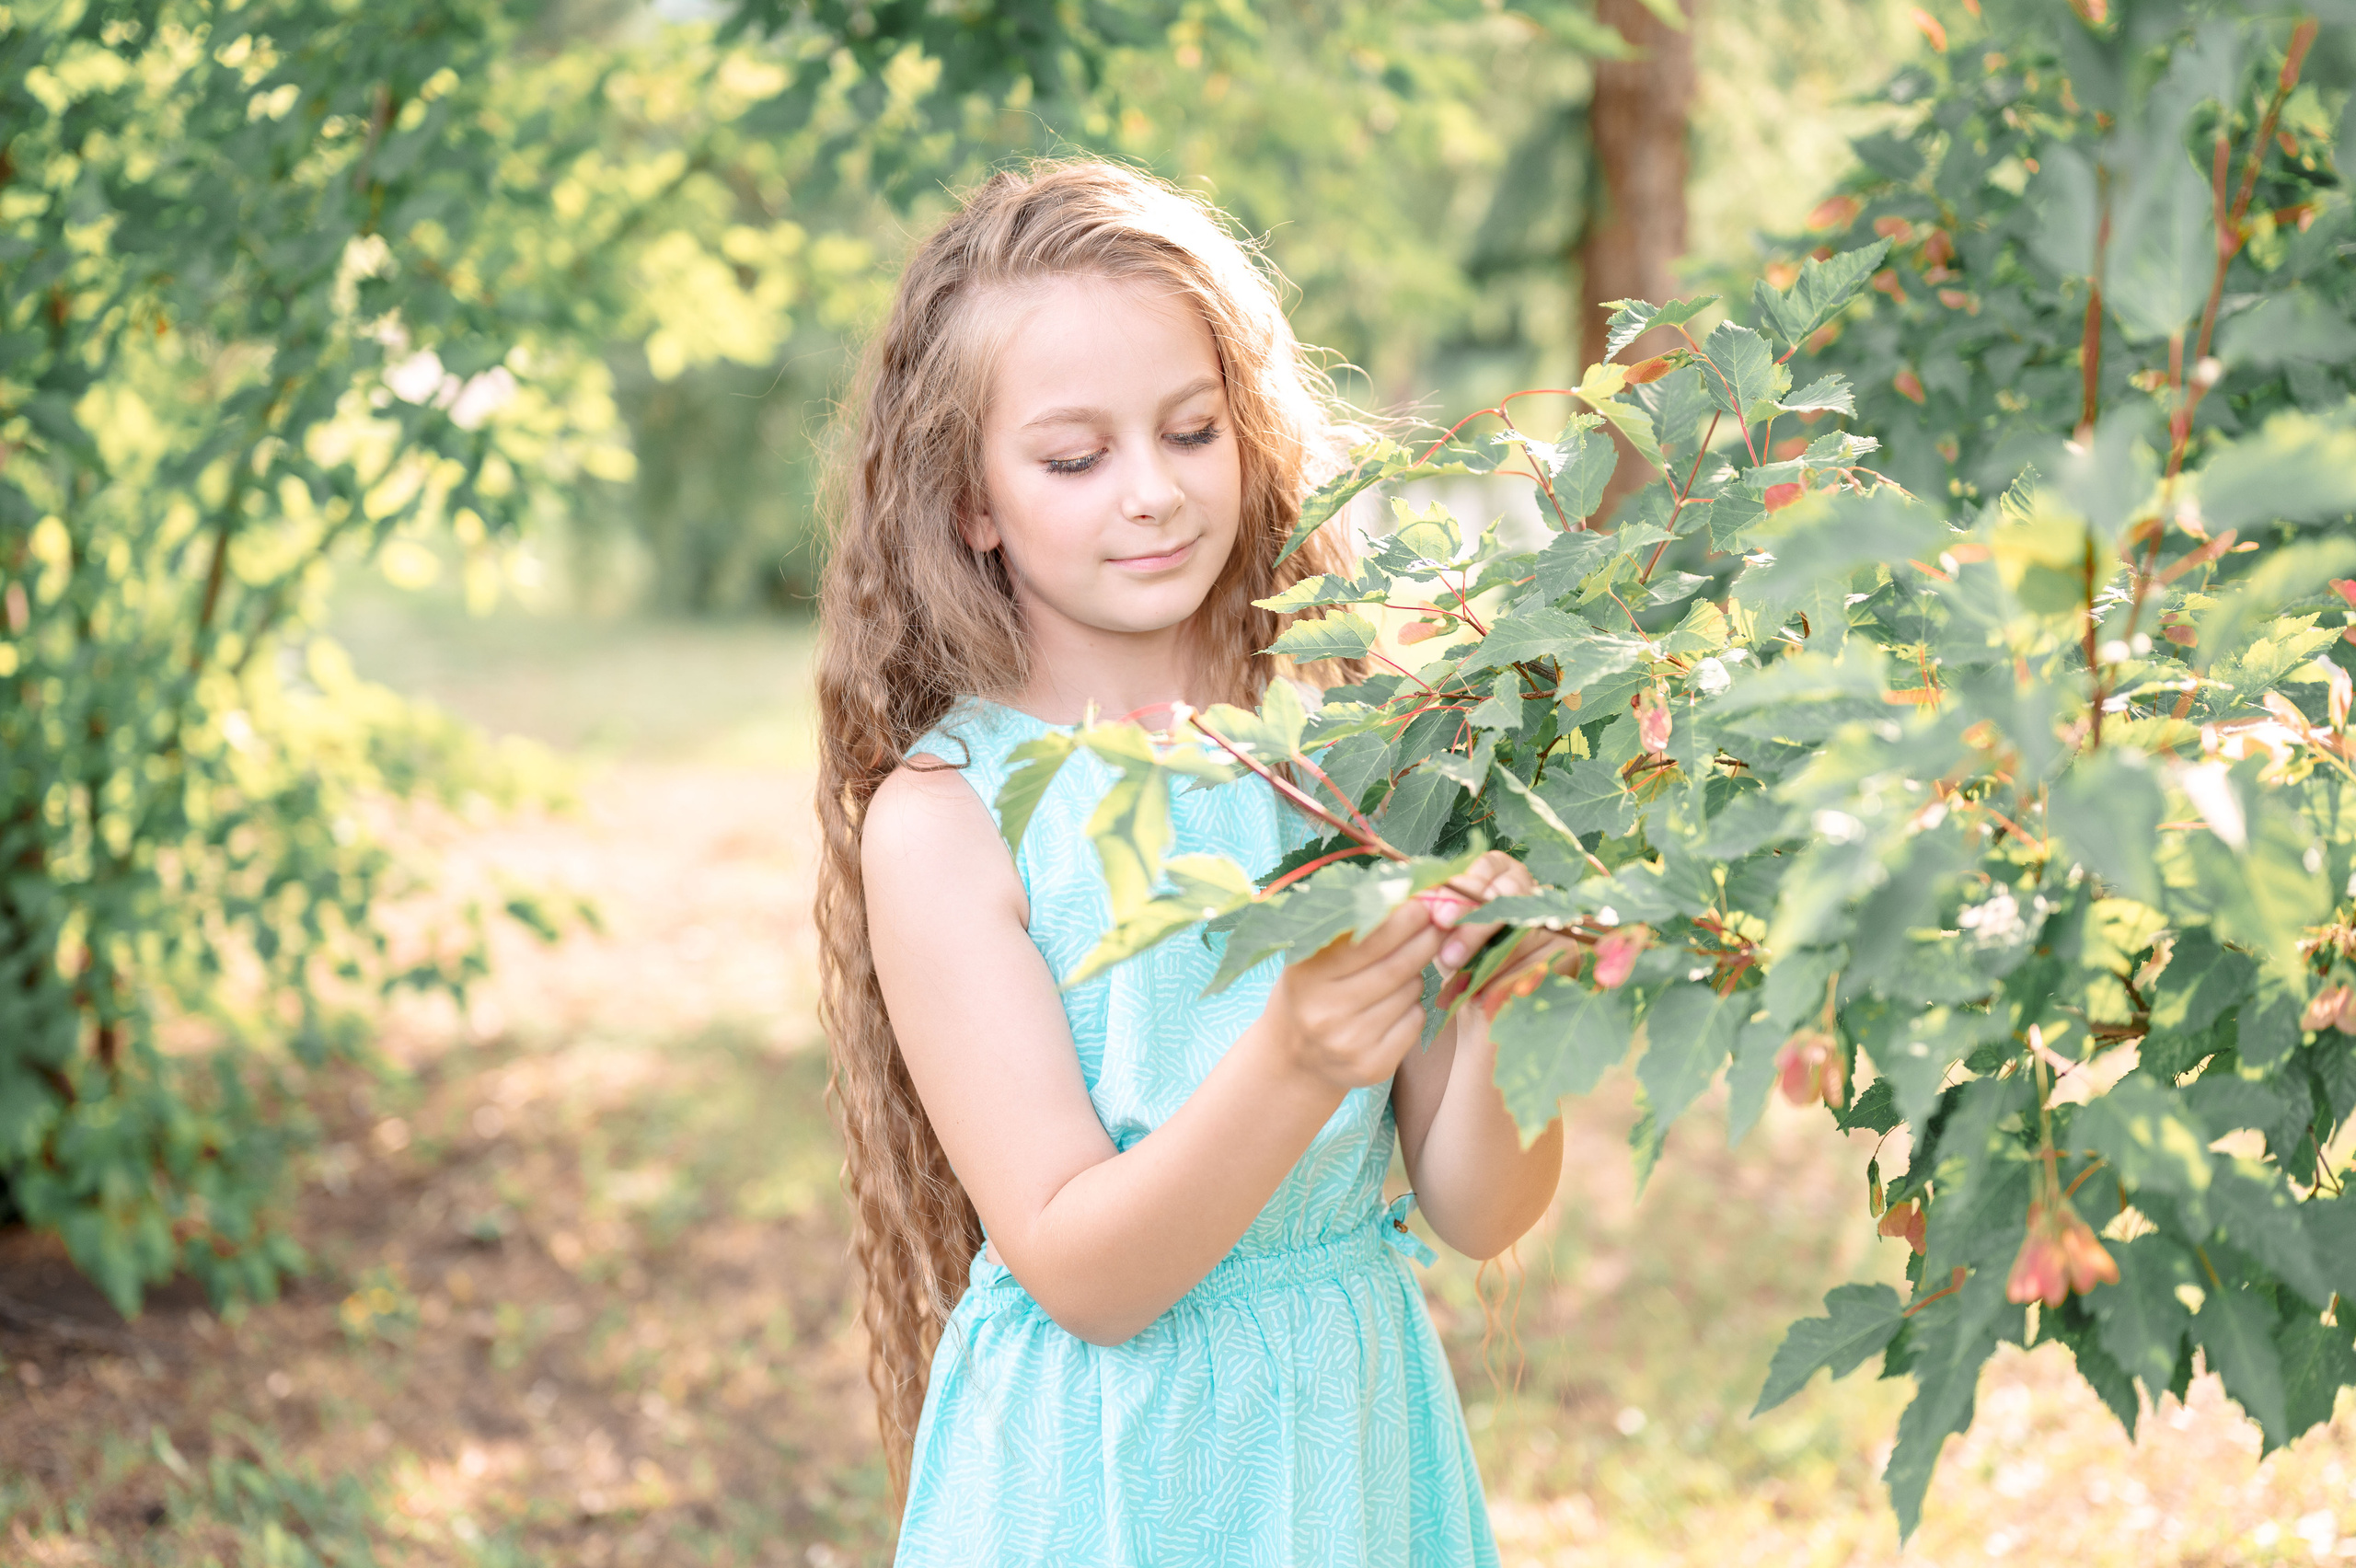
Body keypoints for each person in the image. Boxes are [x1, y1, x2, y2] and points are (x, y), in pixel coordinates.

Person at [813, 157, 1565, 1566]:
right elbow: (1090, 1275)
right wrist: (1295, 1057)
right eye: (1073, 458)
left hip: (1346, 1448)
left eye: (1191, 431)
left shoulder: (1355, 739)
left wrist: (1525, 1001)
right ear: (970, 501)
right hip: (1106, 1482)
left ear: (1252, 428)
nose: (1151, 495)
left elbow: (1478, 1205)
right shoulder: (948, 819)